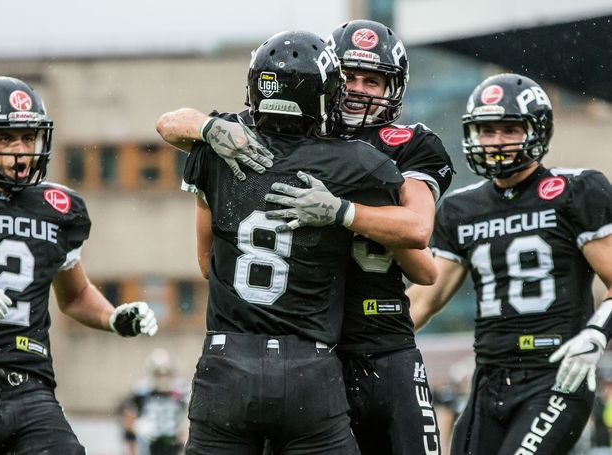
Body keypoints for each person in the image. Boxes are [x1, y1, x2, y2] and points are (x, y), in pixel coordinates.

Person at [157, 19, 454, 454]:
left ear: (394, 88)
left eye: (372, 80)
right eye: (349, 76)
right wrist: (209, 126)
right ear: (327, 78)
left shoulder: (405, 144)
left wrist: (343, 213)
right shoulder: (310, 139)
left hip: (377, 339)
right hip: (314, 349)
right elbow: (172, 123)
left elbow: (418, 232)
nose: (357, 89)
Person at [0, 76, 158, 455]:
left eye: (29, 138)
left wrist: (113, 317)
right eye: (6, 139)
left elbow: (76, 295)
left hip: (30, 388)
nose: (21, 151)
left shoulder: (56, 208)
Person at [408, 73, 612, 455]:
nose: (496, 142)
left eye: (509, 129)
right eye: (486, 131)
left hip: (556, 373)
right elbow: (423, 301)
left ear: (538, 131)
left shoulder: (576, 192)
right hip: (489, 377)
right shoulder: (460, 209)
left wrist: (596, 334)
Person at [120, 348, 188, 455]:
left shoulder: (181, 392)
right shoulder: (141, 391)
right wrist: (131, 449)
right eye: (159, 373)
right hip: (148, 443)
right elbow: (129, 422)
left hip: (174, 443)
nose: (162, 378)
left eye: (166, 373)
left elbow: (190, 417)